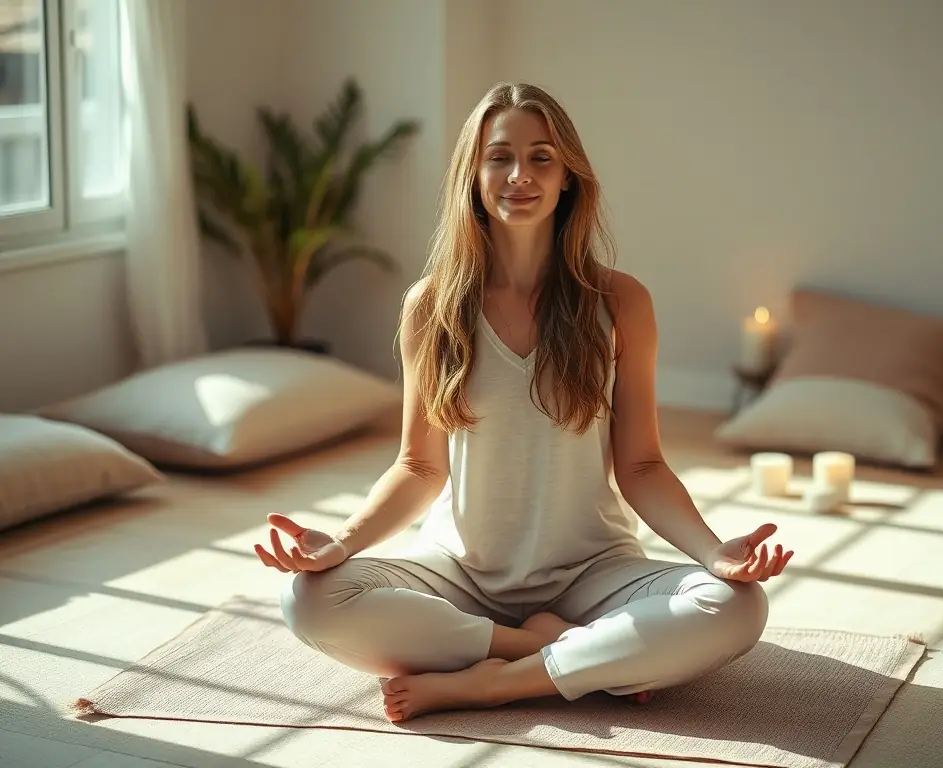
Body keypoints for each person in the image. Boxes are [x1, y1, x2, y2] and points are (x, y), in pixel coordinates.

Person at [254, 82, 794, 723]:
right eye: (499, 157)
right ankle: (551, 651)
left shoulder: (621, 302)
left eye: (542, 157)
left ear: (568, 178)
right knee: (309, 600)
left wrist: (714, 553)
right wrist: (341, 545)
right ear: (473, 173)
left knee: (737, 606)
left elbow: (643, 467)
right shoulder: (431, 305)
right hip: (459, 572)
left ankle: (493, 684)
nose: (520, 175)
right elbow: (419, 466)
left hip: (593, 571)